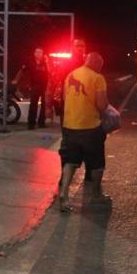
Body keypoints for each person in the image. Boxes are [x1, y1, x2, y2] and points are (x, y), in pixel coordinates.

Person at [59, 52, 110, 212]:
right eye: (100, 66)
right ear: (96, 64)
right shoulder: (97, 78)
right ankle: (96, 195)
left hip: (69, 126)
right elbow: (102, 105)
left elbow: (64, 98)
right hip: (90, 127)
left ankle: (64, 192)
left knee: (70, 161)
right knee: (97, 163)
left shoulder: (70, 75)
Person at [12, 48, 49, 129]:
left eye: (40, 52)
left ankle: (41, 122)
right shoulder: (30, 61)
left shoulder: (45, 62)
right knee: (33, 103)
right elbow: (22, 70)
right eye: (37, 52)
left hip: (44, 85)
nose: (38, 53)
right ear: (34, 53)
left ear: (43, 54)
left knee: (44, 104)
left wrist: (47, 62)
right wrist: (16, 79)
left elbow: (50, 72)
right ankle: (31, 123)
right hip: (34, 84)